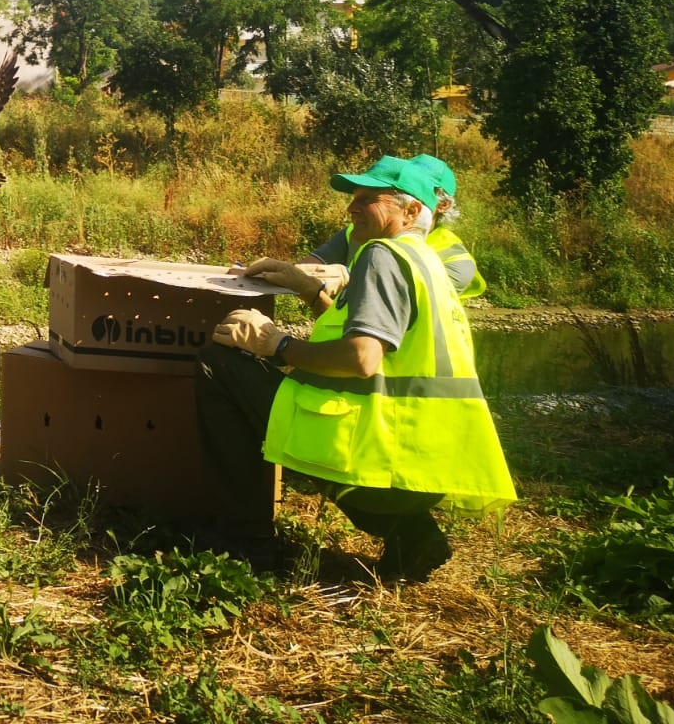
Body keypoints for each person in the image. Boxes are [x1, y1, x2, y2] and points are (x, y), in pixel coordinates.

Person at [195, 156, 516, 582]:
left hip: (376, 457)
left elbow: (361, 358)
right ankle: (412, 535)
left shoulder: (381, 255)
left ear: (411, 211)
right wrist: (309, 289)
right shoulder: (420, 259)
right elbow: (372, 339)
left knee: (219, 364)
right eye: (353, 199)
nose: (352, 208)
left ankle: (247, 548)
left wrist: (278, 344)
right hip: (419, 464)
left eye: (368, 199)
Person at [286, 153, 484, 311]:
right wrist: (282, 273)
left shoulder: (455, 261)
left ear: (442, 205)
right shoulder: (358, 234)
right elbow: (306, 273)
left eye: (420, 188)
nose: (351, 209)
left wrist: (338, 282)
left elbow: (382, 318)